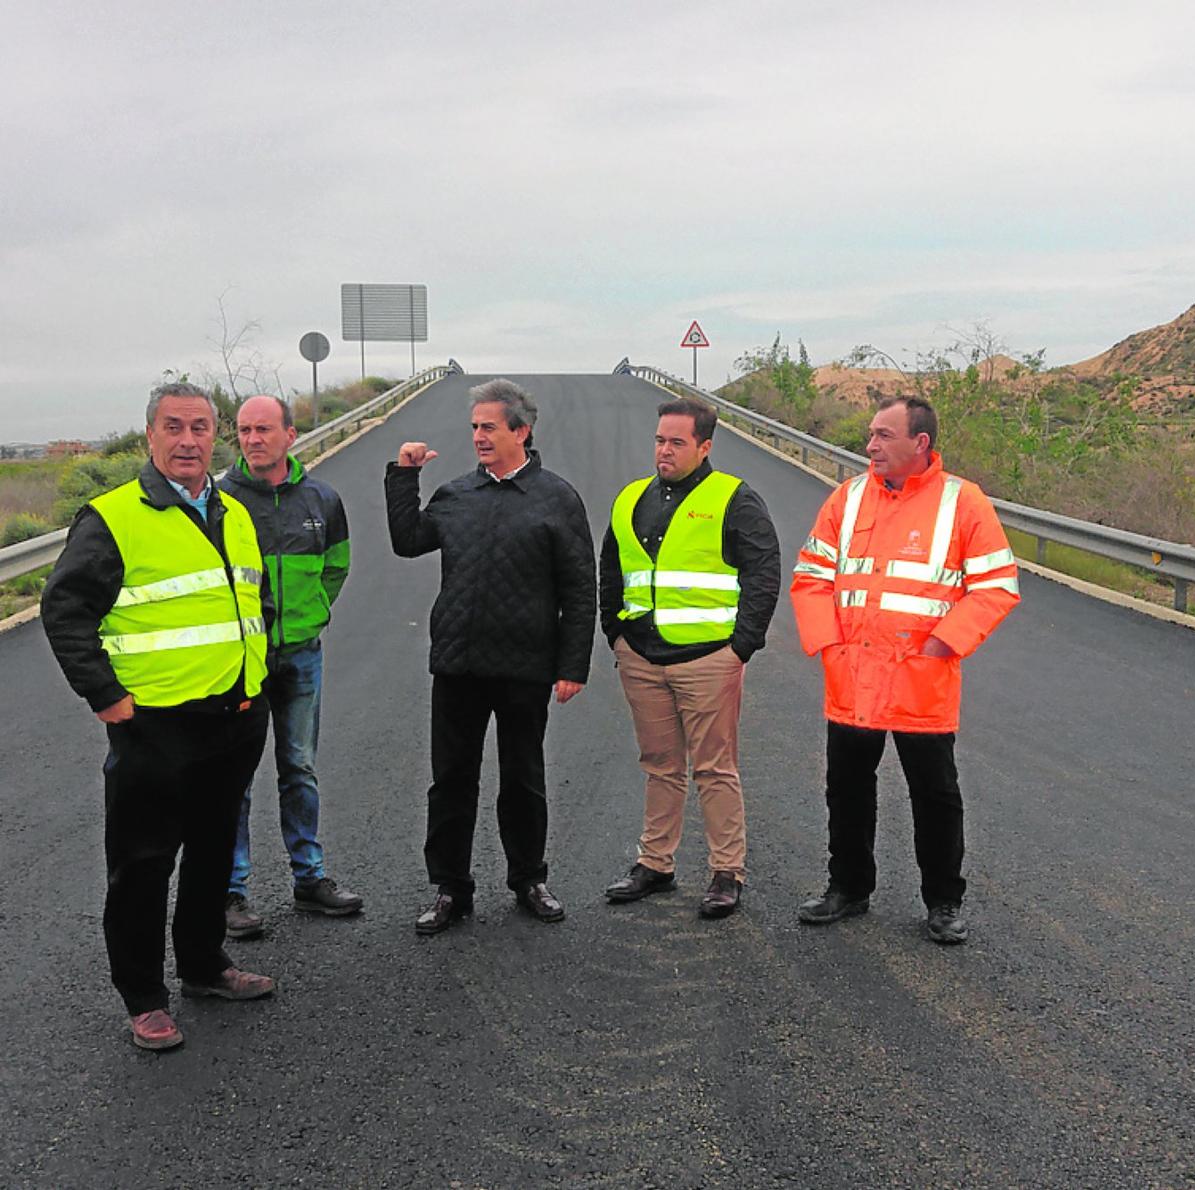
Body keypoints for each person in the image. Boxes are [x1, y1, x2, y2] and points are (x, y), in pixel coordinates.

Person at [41, 382, 276, 1051]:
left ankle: (205, 966)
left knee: (210, 854)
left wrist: (259, 683)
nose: (188, 440)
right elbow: (64, 609)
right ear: (149, 436)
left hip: (232, 716)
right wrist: (107, 698)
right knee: (143, 865)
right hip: (155, 727)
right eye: (173, 427)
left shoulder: (232, 511)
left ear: (214, 436)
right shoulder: (114, 516)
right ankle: (144, 997)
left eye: (200, 427)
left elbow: (248, 604)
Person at [790, 395, 1020, 943]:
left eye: (883, 436)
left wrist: (944, 645)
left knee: (935, 795)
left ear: (921, 443)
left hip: (921, 679)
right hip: (853, 678)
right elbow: (811, 576)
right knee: (846, 788)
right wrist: (830, 646)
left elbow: (996, 586)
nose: (870, 446)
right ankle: (847, 888)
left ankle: (943, 902)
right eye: (870, 435)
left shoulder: (963, 503)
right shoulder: (847, 498)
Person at [385, 378, 595, 933]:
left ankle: (529, 879)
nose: (478, 436)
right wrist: (405, 476)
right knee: (450, 780)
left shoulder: (557, 498)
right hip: (458, 663)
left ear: (520, 431)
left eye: (489, 427)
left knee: (523, 778)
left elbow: (579, 586)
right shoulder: (457, 495)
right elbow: (408, 540)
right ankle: (451, 889)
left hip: (525, 664)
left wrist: (573, 665)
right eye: (474, 427)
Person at [600, 397, 780, 918]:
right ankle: (655, 864)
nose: (665, 450)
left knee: (714, 769)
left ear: (704, 446)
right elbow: (611, 569)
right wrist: (616, 632)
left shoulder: (734, 499)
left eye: (677, 442)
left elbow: (763, 575)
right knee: (659, 765)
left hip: (708, 659)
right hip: (642, 656)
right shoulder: (632, 497)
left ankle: (728, 872)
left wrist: (741, 646)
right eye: (660, 439)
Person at [219, 395, 362, 939]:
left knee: (299, 768)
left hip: (301, 654)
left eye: (264, 430)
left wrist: (310, 616)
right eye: (245, 431)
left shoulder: (322, 499)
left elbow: (336, 566)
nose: (254, 439)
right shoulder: (221, 500)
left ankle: (310, 878)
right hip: (240, 660)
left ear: (290, 434)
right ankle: (231, 890)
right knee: (235, 777)